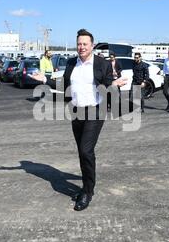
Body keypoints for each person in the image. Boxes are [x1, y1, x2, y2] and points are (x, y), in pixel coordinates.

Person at [31, 29, 127, 211]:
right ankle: (86, 186)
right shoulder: (71, 63)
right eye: (79, 44)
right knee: (83, 153)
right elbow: (64, 86)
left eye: (85, 44)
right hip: (76, 112)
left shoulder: (102, 63)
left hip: (95, 111)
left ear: (92, 45)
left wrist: (113, 85)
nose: (81, 47)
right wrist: (44, 79)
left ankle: (88, 192)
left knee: (85, 150)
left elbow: (107, 85)